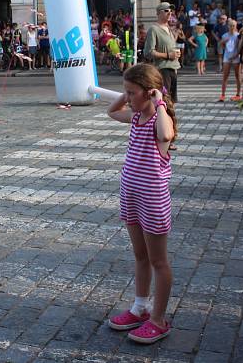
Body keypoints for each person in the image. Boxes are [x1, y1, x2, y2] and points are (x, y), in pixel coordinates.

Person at [106, 63, 177, 344]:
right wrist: (127, 94)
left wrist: (159, 103)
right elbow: (111, 112)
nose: (127, 97)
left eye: (132, 93)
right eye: (126, 92)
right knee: (140, 255)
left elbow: (165, 135)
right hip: (132, 194)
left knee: (158, 260)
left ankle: (159, 319)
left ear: (149, 94)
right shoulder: (135, 118)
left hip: (153, 199)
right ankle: (140, 307)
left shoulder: (162, 119)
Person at [143, 3, 181, 104]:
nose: (170, 13)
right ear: (159, 13)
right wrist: (169, 55)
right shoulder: (154, 29)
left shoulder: (169, 28)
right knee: (164, 102)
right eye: (166, 11)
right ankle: (162, 119)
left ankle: (170, 120)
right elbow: (148, 52)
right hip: (163, 70)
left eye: (170, 11)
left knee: (171, 102)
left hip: (173, 69)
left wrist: (176, 54)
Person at [218, 20, 242, 102]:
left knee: (237, 76)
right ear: (228, 26)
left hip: (235, 57)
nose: (232, 27)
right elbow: (220, 44)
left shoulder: (238, 35)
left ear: (236, 26)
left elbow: (239, 47)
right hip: (227, 57)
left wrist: (235, 55)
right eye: (231, 25)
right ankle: (223, 95)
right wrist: (223, 42)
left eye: (234, 25)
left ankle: (238, 94)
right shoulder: (225, 35)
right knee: (225, 76)